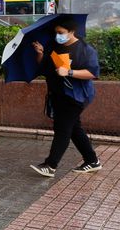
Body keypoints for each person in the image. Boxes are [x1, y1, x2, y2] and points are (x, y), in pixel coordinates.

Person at [30, 15, 102, 178]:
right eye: (56, 32)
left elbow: (92, 73)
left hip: (76, 96)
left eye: (61, 32)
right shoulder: (54, 46)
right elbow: (44, 68)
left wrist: (69, 72)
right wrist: (40, 53)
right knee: (74, 129)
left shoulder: (85, 49)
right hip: (58, 94)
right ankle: (92, 161)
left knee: (62, 129)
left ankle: (50, 165)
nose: (58, 36)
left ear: (72, 31)